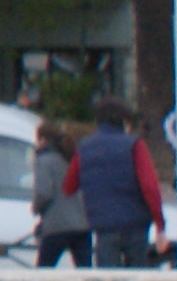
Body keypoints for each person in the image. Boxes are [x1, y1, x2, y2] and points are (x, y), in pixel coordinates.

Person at [68, 100, 165, 268]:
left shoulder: (84, 147)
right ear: (124, 121)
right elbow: (150, 187)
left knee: (109, 278)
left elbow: (69, 186)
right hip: (136, 224)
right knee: (137, 276)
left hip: (103, 225)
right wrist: (160, 223)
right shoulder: (134, 145)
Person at [30, 119, 84, 269]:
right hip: (82, 224)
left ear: (43, 139)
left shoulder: (44, 160)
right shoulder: (72, 157)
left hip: (57, 224)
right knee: (85, 271)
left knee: (43, 270)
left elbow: (44, 193)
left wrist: (36, 208)